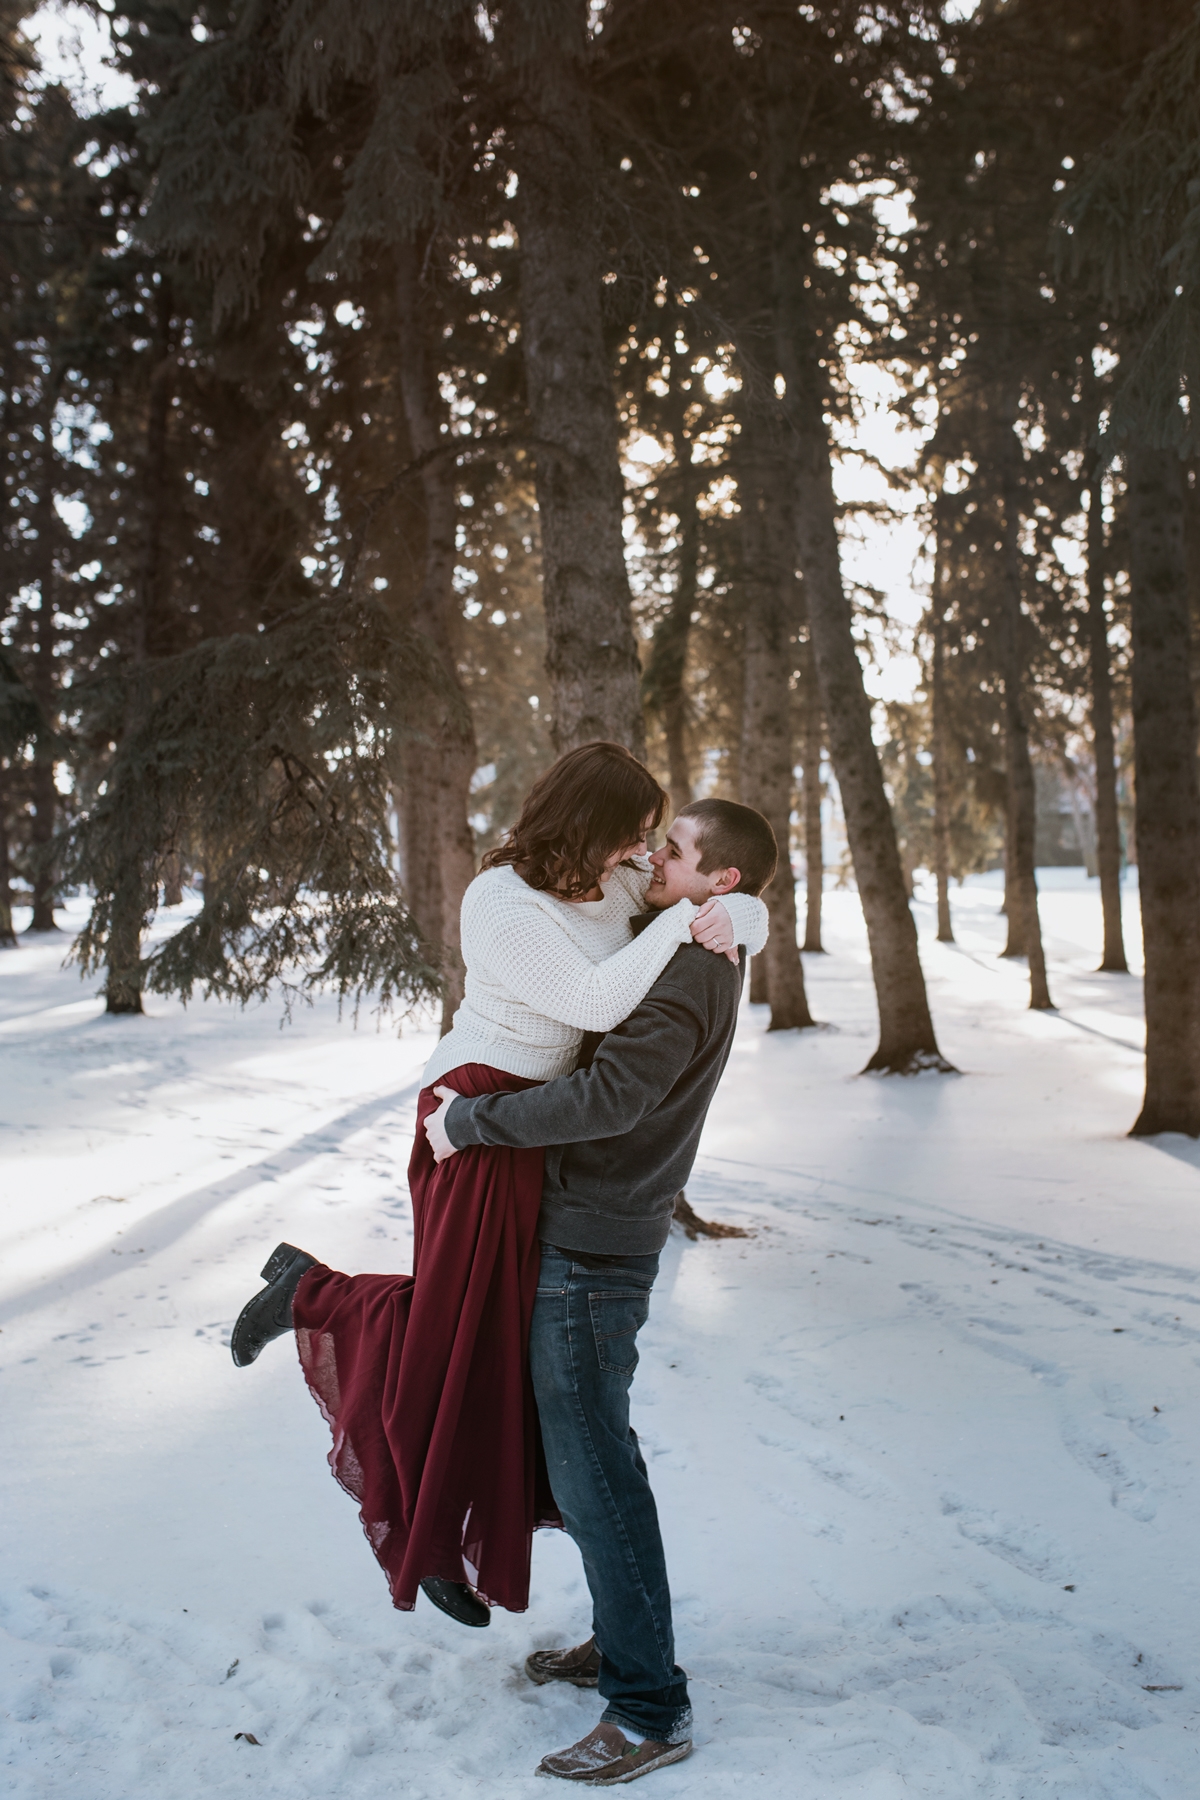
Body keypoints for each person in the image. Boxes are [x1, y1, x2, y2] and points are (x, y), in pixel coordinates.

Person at [229, 746, 768, 1634]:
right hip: (473, 1111)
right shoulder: (502, 900)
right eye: (632, 835)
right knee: (456, 1324)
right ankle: (316, 1305)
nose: (641, 853)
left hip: (536, 1123)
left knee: (484, 1333)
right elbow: (596, 1005)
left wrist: (737, 912)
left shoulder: (619, 884)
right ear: (586, 823)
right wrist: (692, 922)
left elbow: (718, 889)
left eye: (652, 842)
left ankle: (443, 1534)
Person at [423, 796, 778, 1786]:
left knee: (596, 1478)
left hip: (592, 1253)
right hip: (587, 1233)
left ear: (722, 881)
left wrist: (474, 1125)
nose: (655, 859)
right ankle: (625, 1649)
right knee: (586, 1469)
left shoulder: (689, 968)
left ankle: (649, 1707)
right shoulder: (690, 936)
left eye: (678, 851)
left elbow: (606, 1097)